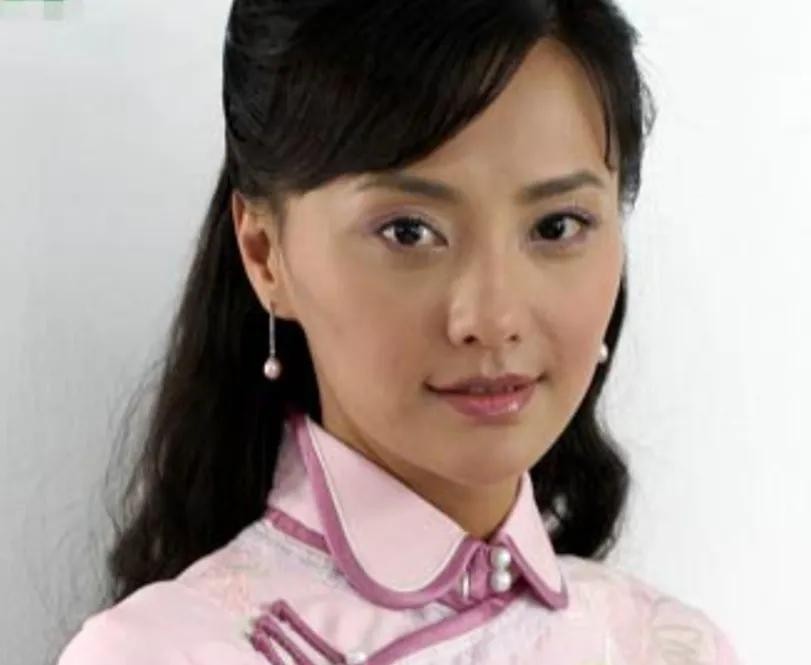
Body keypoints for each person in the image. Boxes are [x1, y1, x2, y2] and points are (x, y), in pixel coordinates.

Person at [57, 1, 741, 663]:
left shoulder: (668, 644)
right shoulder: (163, 652)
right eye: (409, 231)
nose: (493, 318)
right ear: (265, 254)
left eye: (557, 226)